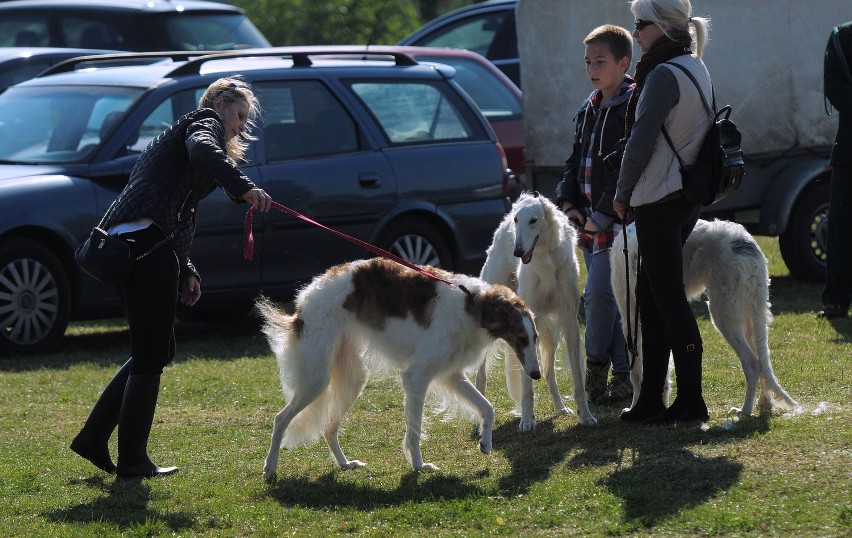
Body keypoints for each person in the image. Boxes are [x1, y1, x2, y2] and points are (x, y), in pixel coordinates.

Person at [70, 76, 272, 477]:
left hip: (145, 250)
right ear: (218, 101)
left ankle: (94, 439)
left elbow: (177, 212)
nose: (240, 126)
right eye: (239, 115)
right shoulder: (201, 123)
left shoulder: (191, 137)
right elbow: (203, 152)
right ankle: (132, 460)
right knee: (151, 355)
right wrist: (245, 187)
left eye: (246, 120)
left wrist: (186, 268)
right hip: (144, 251)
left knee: (155, 350)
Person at [612, 0, 712, 423]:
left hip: (659, 199)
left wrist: (621, 194)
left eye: (640, 25)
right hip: (683, 197)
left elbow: (640, 143)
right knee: (651, 299)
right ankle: (651, 398)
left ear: (665, 28)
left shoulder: (664, 74)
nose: (634, 33)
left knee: (667, 300)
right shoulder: (694, 66)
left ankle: (690, 401)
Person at [555, 24, 635, 406]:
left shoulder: (633, 107)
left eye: (600, 61)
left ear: (624, 62)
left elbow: (625, 171)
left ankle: (599, 369)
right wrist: (568, 204)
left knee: (600, 296)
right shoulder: (588, 108)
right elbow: (574, 163)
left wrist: (601, 215)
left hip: (618, 225)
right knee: (612, 299)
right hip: (587, 225)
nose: (592, 69)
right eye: (588, 62)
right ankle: (620, 378)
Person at [819, 21, 852, 319]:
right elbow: (835, 89)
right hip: (849, 151)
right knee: (841, 228)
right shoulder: (842, 37)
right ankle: (837, 300)